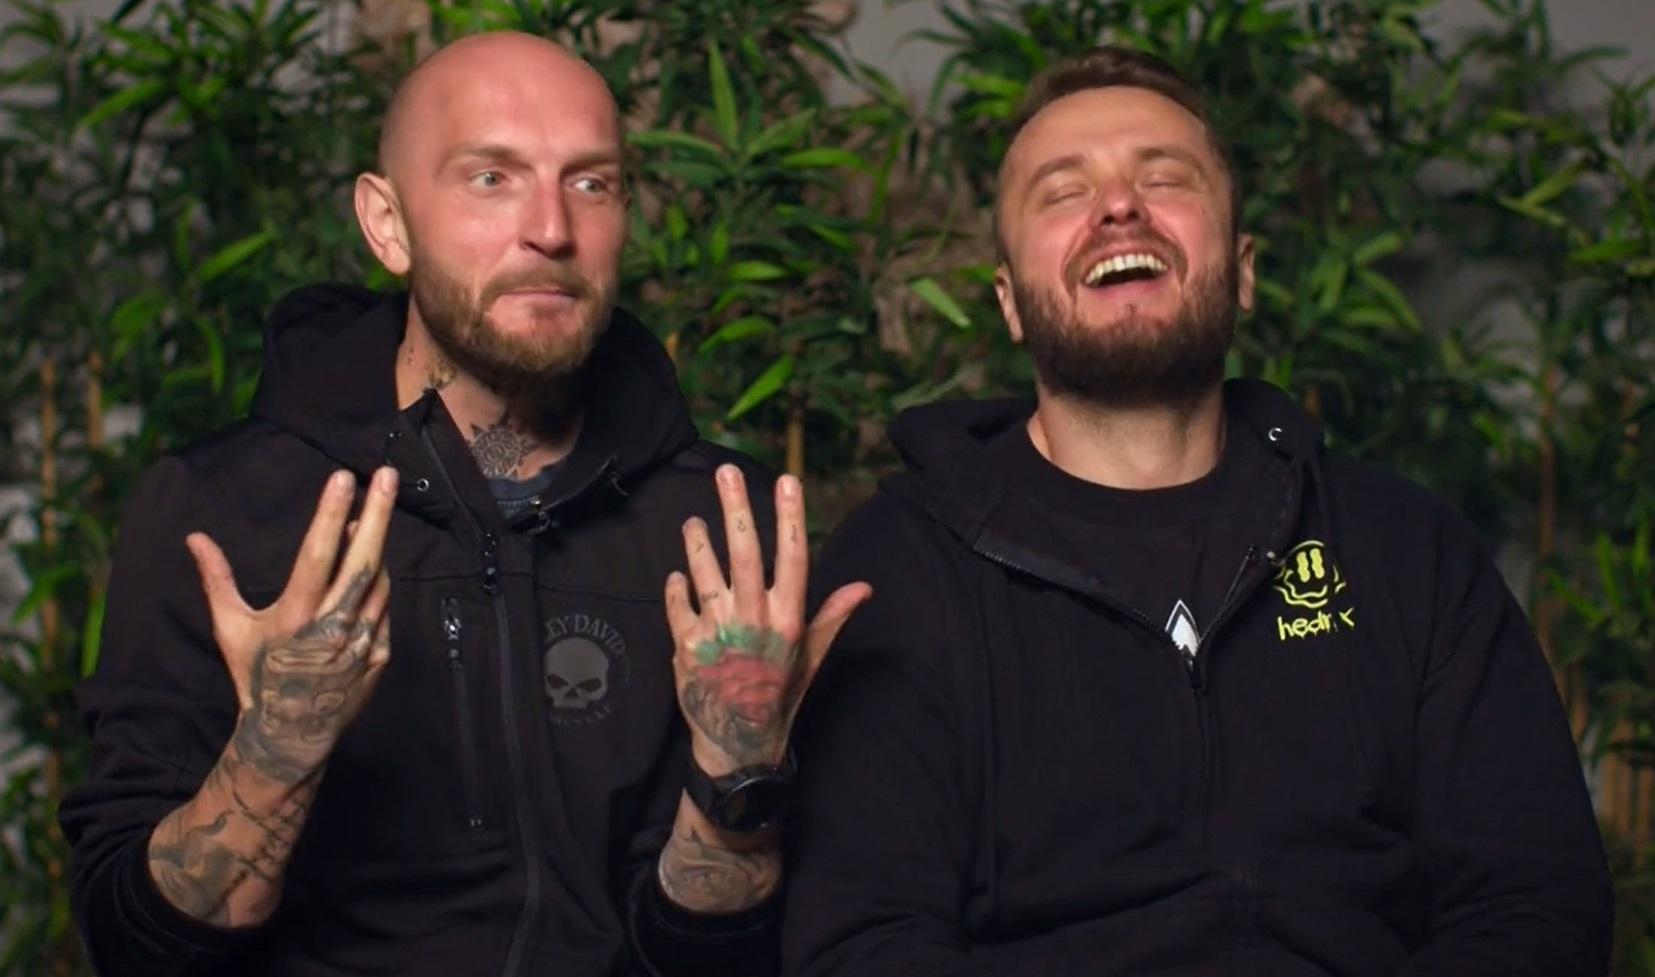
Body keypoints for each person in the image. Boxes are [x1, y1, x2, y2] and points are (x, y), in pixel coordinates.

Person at [783, 45, 1612, 977]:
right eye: (1063, 191)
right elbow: (863, 939)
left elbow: (1535, 905)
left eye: (1164, 178)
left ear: (1243, 269)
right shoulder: (899, 569)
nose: (1117, 207)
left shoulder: (1405, 550)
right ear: (1009, 304)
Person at [60, 30, 867, 977]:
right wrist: (273, 754)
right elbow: (136, 948)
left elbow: (712, 957)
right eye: (491, 178)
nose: (552, 229)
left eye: (590, 182)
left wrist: (737, 780)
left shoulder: (719, 528)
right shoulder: (225, 511)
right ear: (387, 224)